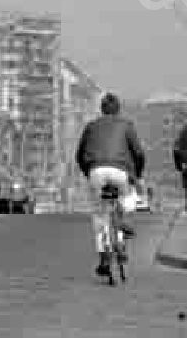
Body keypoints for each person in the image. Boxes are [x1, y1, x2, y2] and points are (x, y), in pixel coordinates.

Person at [76, 92, 145, 279]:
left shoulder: (91, 126)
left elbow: (80, 154)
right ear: (118, 109)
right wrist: (136, 174)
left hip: (96, 171)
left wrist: (88, 173)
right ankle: (122, 234)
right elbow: (138, 152)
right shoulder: (127, 125)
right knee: (126, 199)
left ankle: (104, 257)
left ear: (102, 109)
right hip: (120, 171)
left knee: (100, 215)